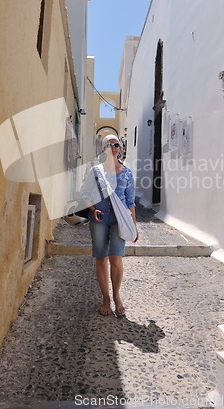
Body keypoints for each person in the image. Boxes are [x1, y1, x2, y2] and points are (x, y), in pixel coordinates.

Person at [81, 134, 138, 316]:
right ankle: (105, 298)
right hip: (100, 218)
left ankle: (117, 296)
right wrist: (92, 209)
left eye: (116, 145)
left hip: (120, 220)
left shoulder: (127, 173)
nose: (113, 148)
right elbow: (85, 193)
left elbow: (130, 202)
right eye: (109, 145)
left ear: (120, 148)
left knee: (116, 258)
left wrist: (134, 225)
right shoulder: (95, 171)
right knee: (101, 258)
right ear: (103, 149)